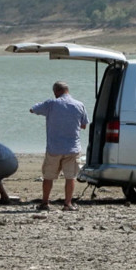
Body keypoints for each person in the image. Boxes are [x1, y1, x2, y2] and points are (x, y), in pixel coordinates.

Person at [30, 81, 89, 211]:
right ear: (67, 90)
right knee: (70, 177)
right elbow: (84, 125)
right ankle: (67, 204)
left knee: (48, 176)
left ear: (56, 91)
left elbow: (33, 109)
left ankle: (45, 203)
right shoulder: (80, 105)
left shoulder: (51, 104)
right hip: (72, 147)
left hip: (54, 148)